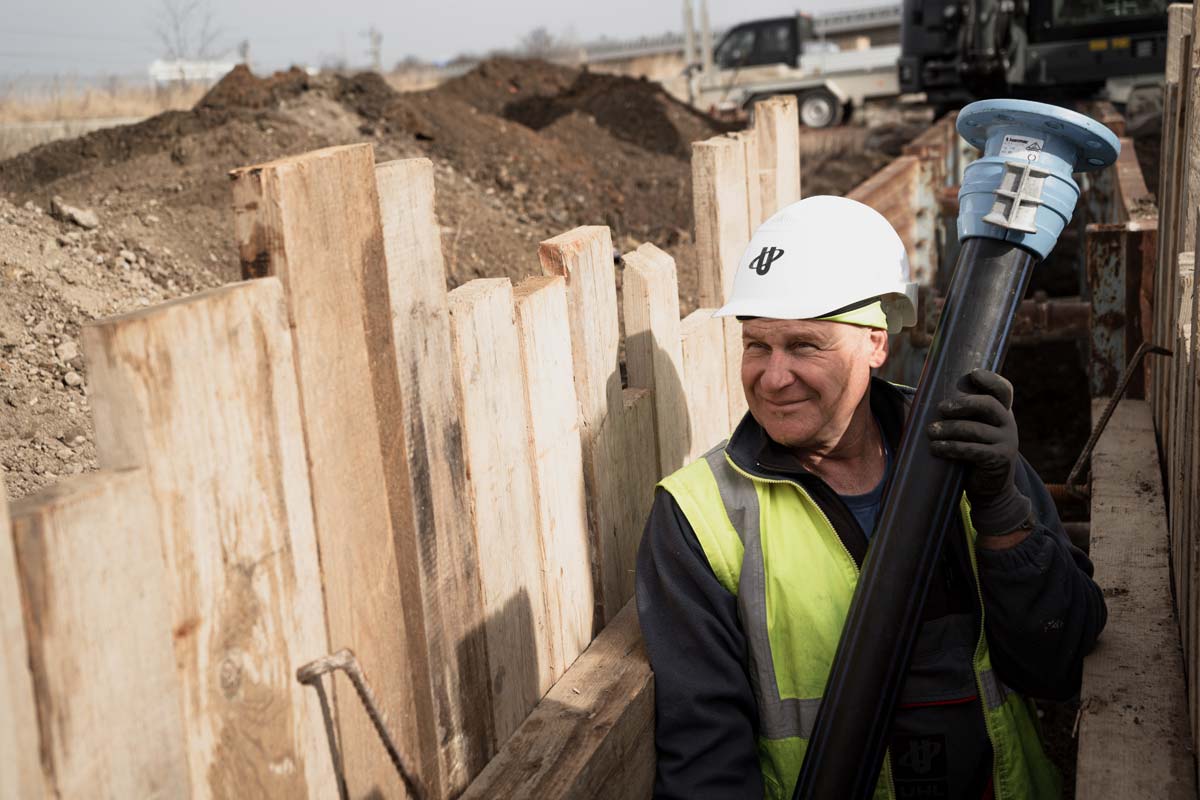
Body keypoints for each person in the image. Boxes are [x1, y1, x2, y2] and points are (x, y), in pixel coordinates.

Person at [635, 195, 1106, 800]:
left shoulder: (967, 453)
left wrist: (1001, 509)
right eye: (757, 345)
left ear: (877, 343)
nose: (773, 377)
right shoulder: (699, 517)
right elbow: (706, 761)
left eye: (805, 346)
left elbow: (1061, 660)